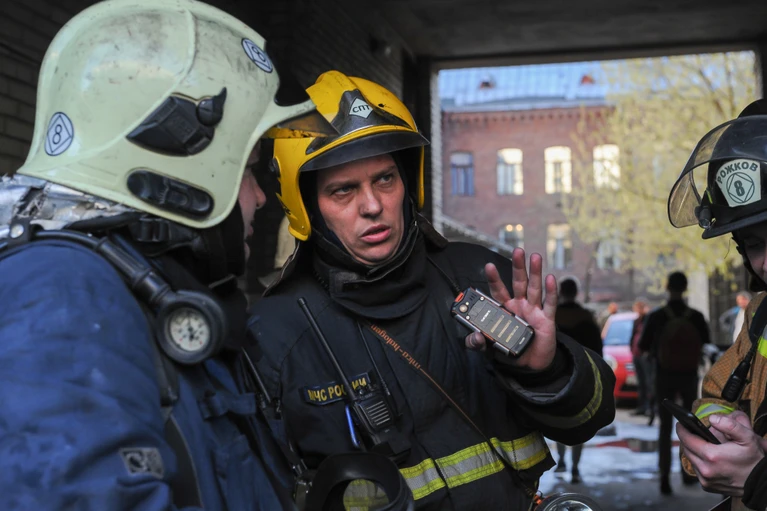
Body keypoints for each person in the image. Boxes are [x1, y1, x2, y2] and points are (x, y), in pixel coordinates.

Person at [0, 0, 330, 508]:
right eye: (248, 169)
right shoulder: (62, 293)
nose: (260, 197)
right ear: (180, 168)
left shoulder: (135, 286)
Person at [247, 70, 616, 510]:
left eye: (385, 179)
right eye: (343, 190)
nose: (373, 205)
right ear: (307, 207)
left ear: (409, 181)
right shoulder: (276, 336)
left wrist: (547, 370)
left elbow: (590, 419)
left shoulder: (481, 278)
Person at [667, 99, 767, 511]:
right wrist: (718, 431)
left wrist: (760, 480)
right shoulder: (760, 314)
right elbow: (713, 394)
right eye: (755, 244)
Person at [638, 271, 710, 495]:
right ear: (686, 287)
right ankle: (688, 474)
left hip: (664, 376)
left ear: (668, 287)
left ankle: (664, 478)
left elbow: (642, 346)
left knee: (665, 427)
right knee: (690, 427)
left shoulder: (657, 316)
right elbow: (706, 343)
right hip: (689, 376)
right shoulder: (696, 317)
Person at [553, 277, 603, 484]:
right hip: (582, 377)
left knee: (559, 421)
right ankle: (575, 467)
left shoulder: (553, 315)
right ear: (576, 293)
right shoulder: (586, 316)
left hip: (556, 378)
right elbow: (598, 350)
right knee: (580, 421)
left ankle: (561, 460)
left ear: (561, 292)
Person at [629, 297, 653, 417]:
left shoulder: (648, 320)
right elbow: (633, 336)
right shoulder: (636, 321)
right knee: (641, 382)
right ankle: (642, 406)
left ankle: (650, 407)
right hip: (636, 354)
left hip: (645, 356)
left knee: (648, 382)